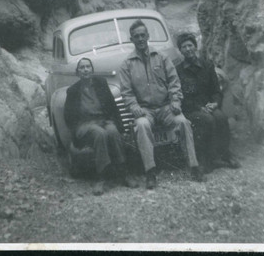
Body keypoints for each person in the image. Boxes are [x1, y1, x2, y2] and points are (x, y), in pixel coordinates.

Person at [119, 19, 204, 189]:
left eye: (143, 35)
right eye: (137, 36)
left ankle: (193, 165)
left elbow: (174, 82)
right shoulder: (127, 65)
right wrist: (134, 107)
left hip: (165, 107)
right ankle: (150, 172)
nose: (141, 39)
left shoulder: (162, 58)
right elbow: (126, 92)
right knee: (142, 126)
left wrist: (175, 100)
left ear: (148, 36)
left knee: (183, 122)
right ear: (132, 39)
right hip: (145, 110)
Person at [64, 57, 138, 195]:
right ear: (77, 72)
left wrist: (120, 126)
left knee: (113, 132)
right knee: (100, 134)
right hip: (84, 125)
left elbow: (112, 106)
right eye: (82, 67)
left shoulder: (101, 83)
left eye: (88, 67)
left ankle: (124, 173)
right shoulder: (72, 90)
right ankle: (101, 177)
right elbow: (68, 117)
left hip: (103, 120)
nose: (85, 70)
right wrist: (76, 133)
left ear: (92, 69)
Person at [176, 32, 240, 171]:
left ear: (195, 46)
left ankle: (225, 153)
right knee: (207, 120)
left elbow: (216, 91)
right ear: (180, 50)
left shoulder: (207, 66)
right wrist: (199, 107)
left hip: (209, 106)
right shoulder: (178, 71)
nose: (188, 49)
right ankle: (205, 159)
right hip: (191, 109)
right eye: (184, 47)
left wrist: (215, 103)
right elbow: (181, 97)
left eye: (190, 45)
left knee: (221, 117)